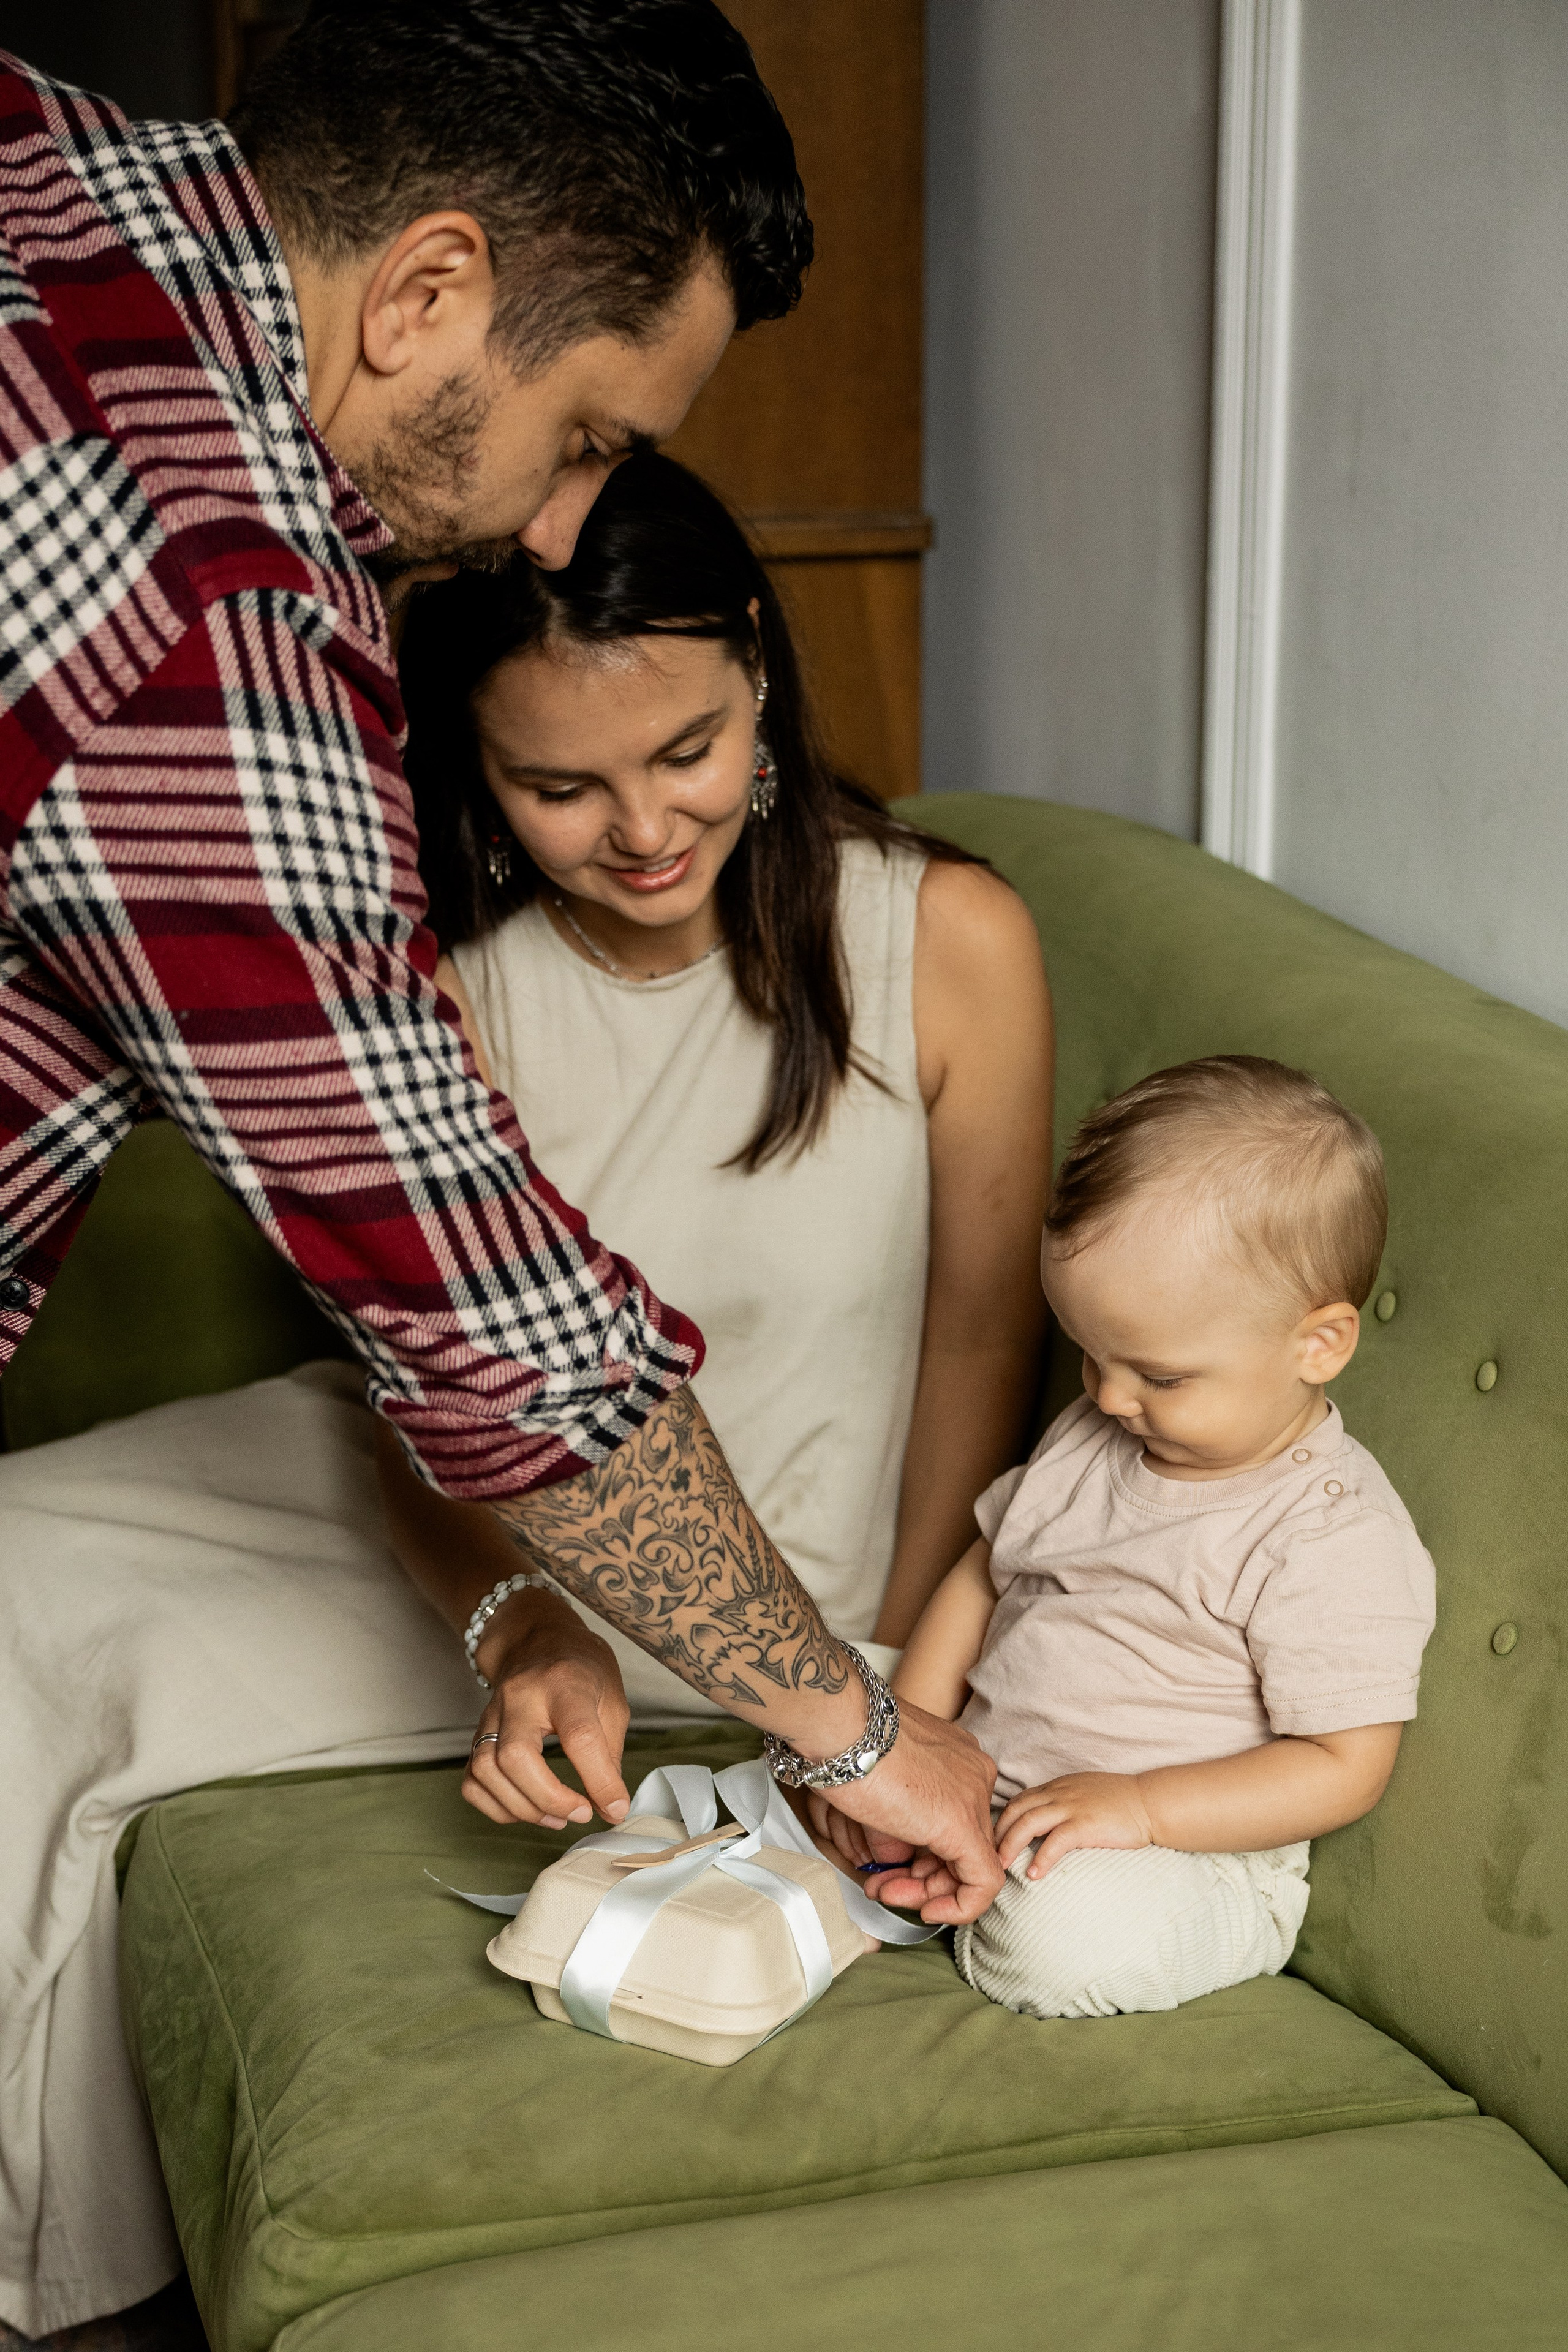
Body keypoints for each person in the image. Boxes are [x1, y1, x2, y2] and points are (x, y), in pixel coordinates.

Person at [0, 0, 1005, 1956]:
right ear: (430, 287)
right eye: (587, 442)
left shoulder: (44, 157)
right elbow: (477, 1311)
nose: (552, 526)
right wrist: (859, 1727)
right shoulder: (215, 619)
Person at [385, 451, 1054, 1829]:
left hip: (799, 1624)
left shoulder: (946, 941)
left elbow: (982, 1337)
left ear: (756, 660)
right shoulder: (442, 988)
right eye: (557, 786)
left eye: (686, 752)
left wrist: (895, 1696)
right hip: (488, 1593)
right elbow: (416, 1404)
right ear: (478, 761)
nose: (643, 833)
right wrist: (524, 1631)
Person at [818, 1058, 1437, 2019]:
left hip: (1176, 1852)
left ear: (1318, 1345)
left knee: (1074, 1938)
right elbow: (985, 1577)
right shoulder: (1101, 1434)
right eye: (1090, 1353)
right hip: (977, 1779)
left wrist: (1143, 1808)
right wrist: (910, 1730)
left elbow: (1342, 1766)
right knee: (817, 1695)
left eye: (1158, 1375)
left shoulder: (1328, 1535)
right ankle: (922, 1853)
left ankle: (970, 1903)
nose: (1107, 1396)